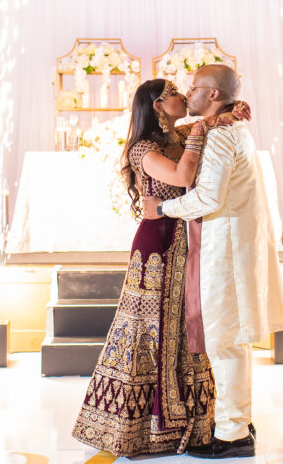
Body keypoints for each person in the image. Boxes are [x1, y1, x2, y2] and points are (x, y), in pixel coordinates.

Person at [142, 65, 283, 459]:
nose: (187, 93)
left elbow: (208, 199)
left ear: (210, 94)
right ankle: (237, 421)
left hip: (225, 249)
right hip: (230, 244)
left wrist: (162, 208)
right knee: (231, 340)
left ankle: (232, 434)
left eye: (193, 88)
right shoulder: (227, 128)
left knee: (225, 341)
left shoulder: (223, 136)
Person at [72, 79, 216, 455]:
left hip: (187, 241)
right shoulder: (144, 149)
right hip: (159, 246)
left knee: (187, 326)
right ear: (157, 105)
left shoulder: (180, 134)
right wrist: (200, 132)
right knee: (150, 329)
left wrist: (230, 112)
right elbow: (182, 177)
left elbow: (209, 125)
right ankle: (144, 427)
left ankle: (192, 418)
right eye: (174, 93)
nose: (184, 96)